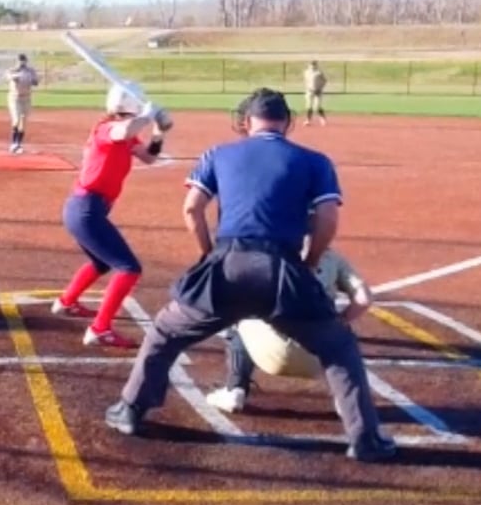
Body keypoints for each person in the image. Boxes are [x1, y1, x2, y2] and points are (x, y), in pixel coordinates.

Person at [102, 88, 395, 462]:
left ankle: (130, 409)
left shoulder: (217, 153)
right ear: (287, 122)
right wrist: (309, 262)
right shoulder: (315, 161)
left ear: (247, 122)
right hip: (285, 270)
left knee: (166, 331)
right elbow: (327, 218)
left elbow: (192, 209)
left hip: (228, 264)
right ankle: (365, 439)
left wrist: (210, 254)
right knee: (339, 347)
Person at [50, 85, 170, 349]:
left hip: (85, 208)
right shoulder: (106, 128)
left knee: (101, 263)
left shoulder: (126, 135)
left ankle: (67, 302)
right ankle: (100, 329)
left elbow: (149, 158)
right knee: (129, 268)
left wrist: (159, 131)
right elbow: (123, 131)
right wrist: (148, 115)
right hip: (87, 209)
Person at [205, 236, 374, 414]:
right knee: (341, 334)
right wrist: (340, 322)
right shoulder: (333, 258)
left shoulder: (269, 253)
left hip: (269, 353)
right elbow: (364, 299)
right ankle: (345, 399)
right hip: (317, 359)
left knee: (238, 313)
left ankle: (235, 388)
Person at [5, 54, 40, 154]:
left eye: (23, 61)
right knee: (16, 120)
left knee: (23, 121)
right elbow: (10, 78)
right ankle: (13, 143)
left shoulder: (30, 71)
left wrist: (32, 79)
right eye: (20, 61)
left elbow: (36, 82)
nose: (22, 63)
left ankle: (18, 144)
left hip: (26, 98)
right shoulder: (12, 70)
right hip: (15, 98)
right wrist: (17, 75)